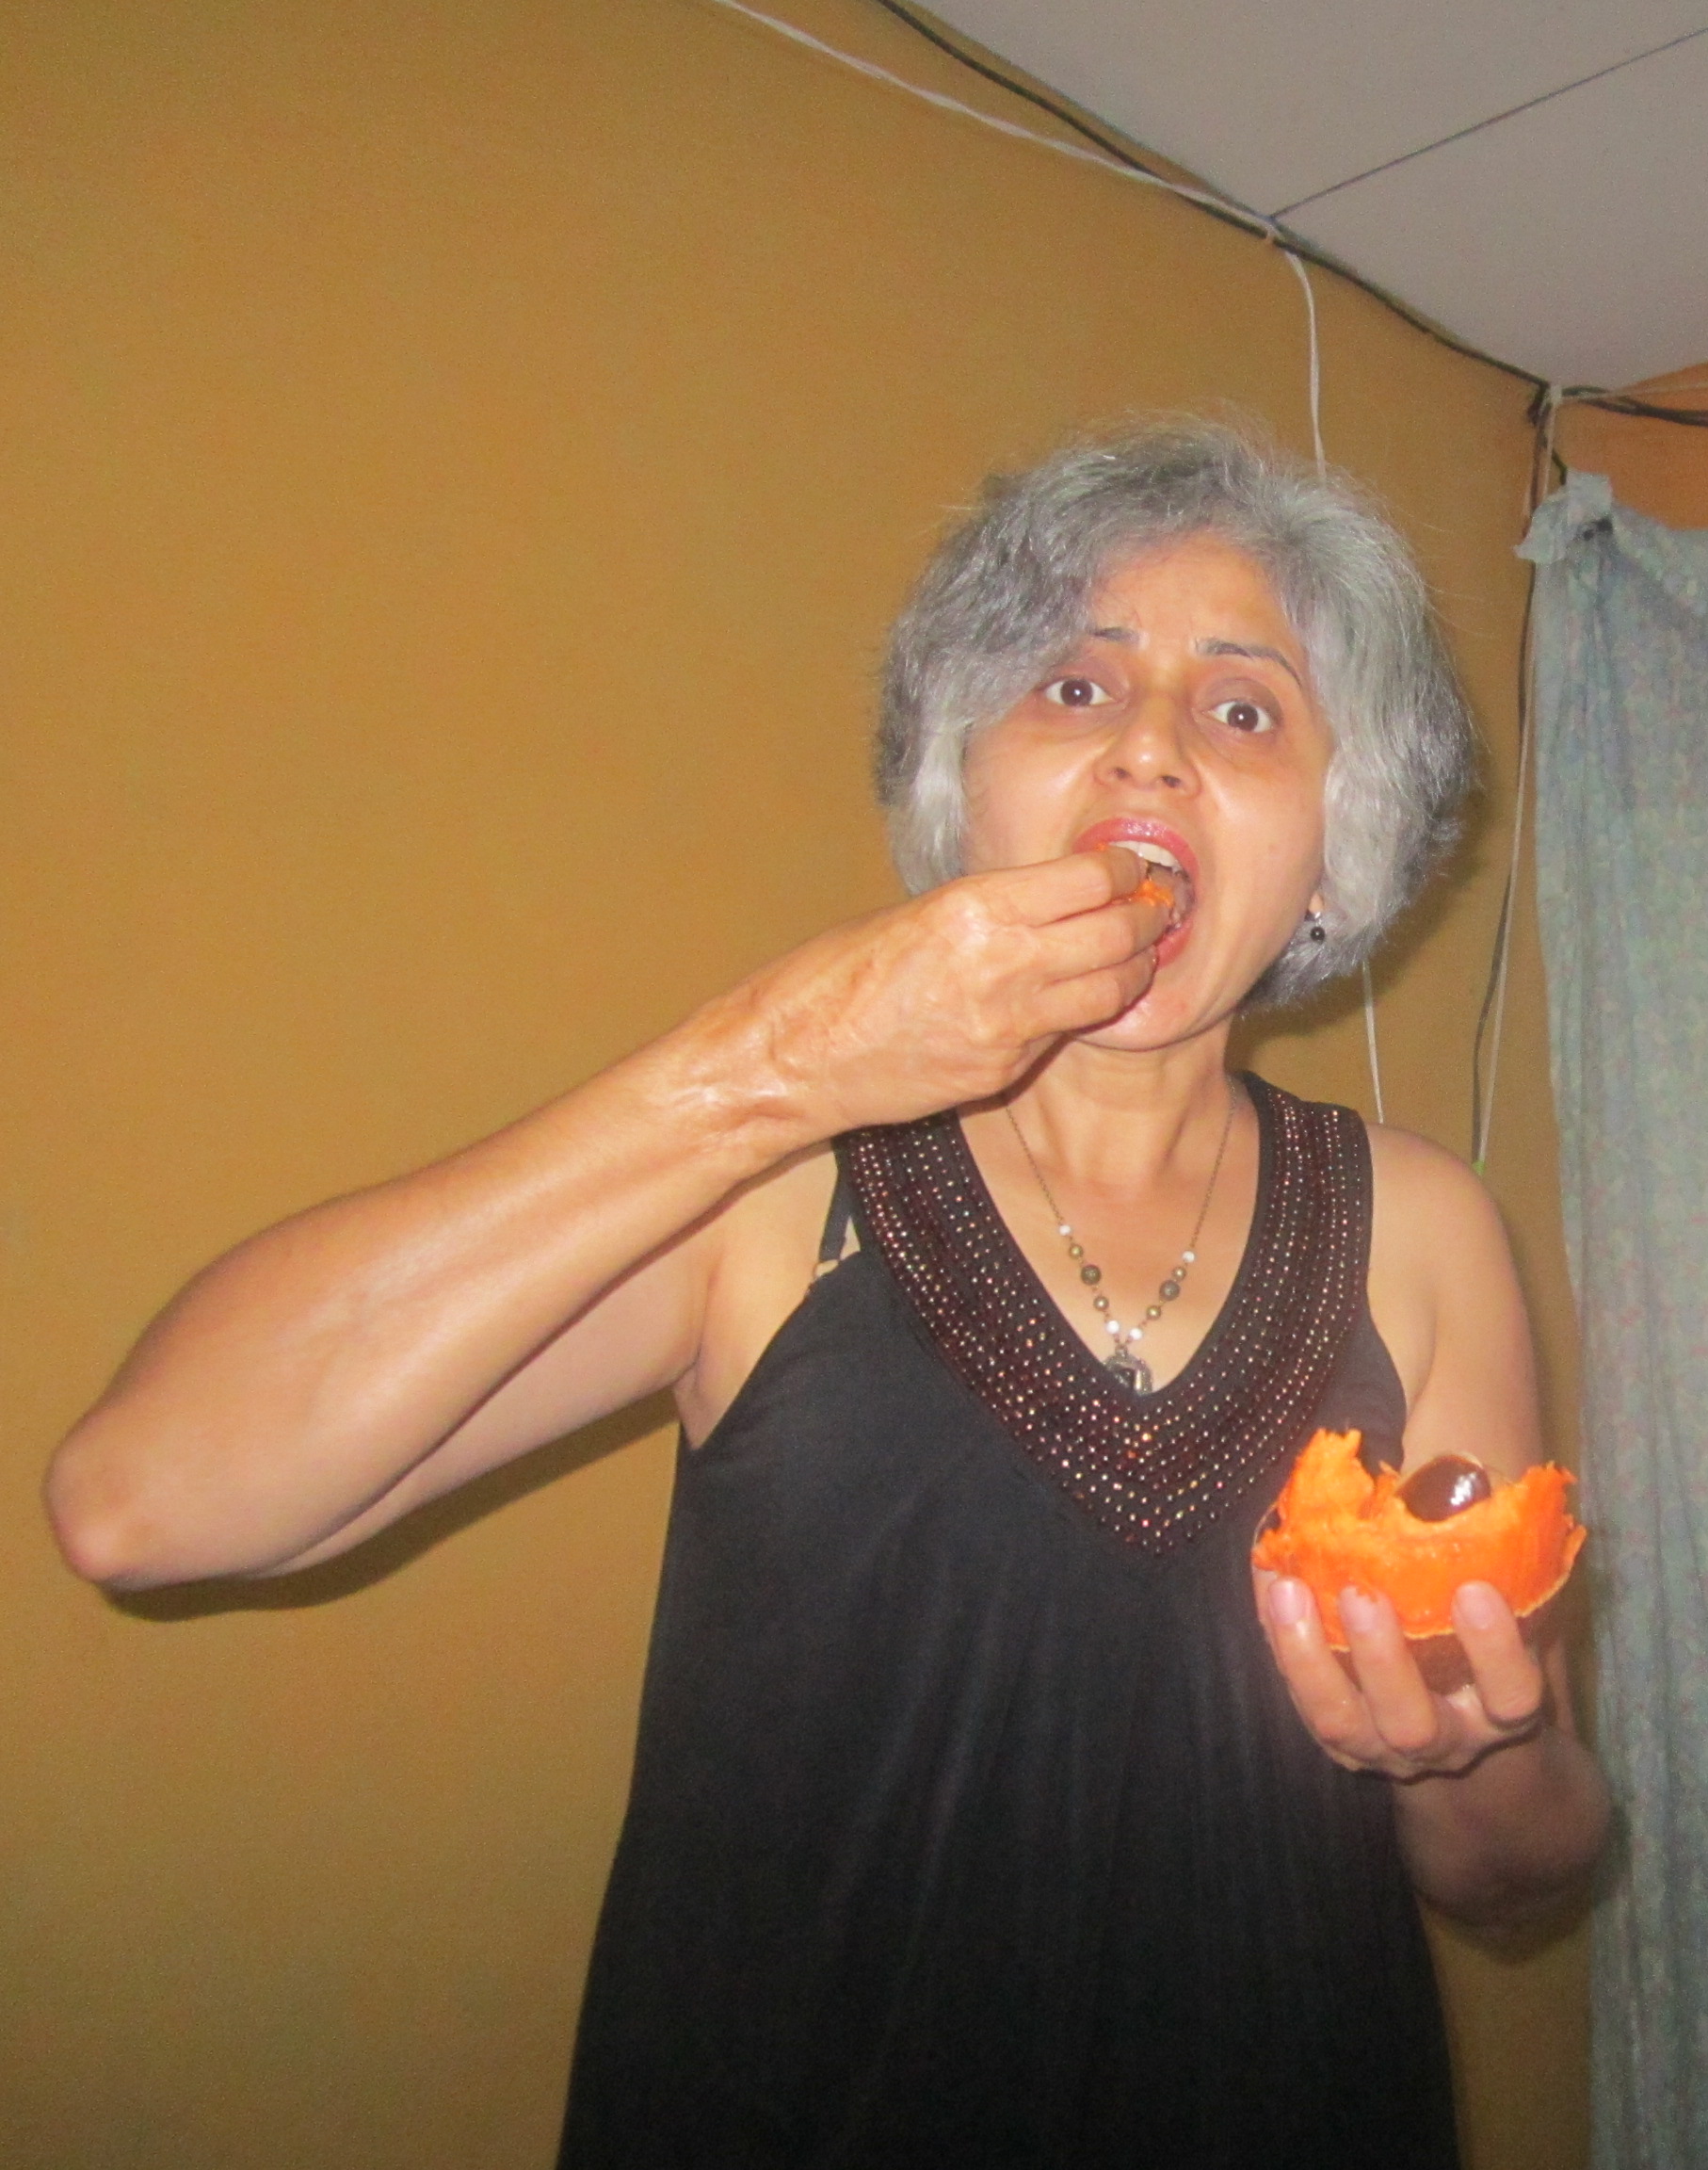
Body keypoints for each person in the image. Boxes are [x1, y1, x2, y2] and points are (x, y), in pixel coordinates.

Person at [45, 422, 1610, 2166]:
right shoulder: (778, 1180)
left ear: (1334, 850)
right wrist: (770, 1067)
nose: (1151, 747)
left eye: (1245, 712)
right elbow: (142, 1501)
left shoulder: (1420, 1231)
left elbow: (1518, 1875)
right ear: (965, 788)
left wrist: (1466, 1752)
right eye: (1075, 688)